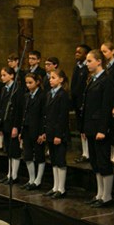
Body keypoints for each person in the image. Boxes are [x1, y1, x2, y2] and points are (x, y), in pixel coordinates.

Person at [80, 49, 114, 207]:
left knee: (103, 161)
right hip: (90, 126)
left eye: (89, 61)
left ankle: (107, 195)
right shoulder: (92, 80)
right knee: (95, 162)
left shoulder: (107, 80)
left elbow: (106, 106)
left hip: (100, 128)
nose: (87, 64)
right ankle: (99, 193)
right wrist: (83, 128)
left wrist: (103, 129)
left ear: (99, 61)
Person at [42, 69, 71, 198]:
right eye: (50, 78)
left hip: (59, 133)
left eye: (53, 77)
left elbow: (62, 117)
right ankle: (55, 186)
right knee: (54, 160)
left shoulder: (63, 94)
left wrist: (59, 135)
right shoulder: (49, 94)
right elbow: (46, 115)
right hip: (50, 131)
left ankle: (62, 188)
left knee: (60, 160)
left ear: (61, 79)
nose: (50, 80)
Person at [20, 72, 46, 190]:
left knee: (39, 155)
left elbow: (43, 115)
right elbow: (23, 114)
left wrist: (42, 132)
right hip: (26, 128)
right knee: (28, 155)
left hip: (37, 129)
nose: (28, 85)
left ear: (37, 82)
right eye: (26, 83)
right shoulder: (26, 96)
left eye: (30, 83)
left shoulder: (42, 96)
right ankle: (31, 179)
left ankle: (38, 180)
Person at [0, 67, 22, 183]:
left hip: (13, 124)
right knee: (8, 151)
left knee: (14, 150)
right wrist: (0, 125)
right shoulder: (4, 89)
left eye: (4, 75)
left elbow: (18, 109)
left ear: (12, 76)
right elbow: (2, 108)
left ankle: (14, 175)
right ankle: (9, 174)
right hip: (5, 123)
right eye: (1, 75)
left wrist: (16, 126)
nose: (2, 77)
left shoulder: (16, 89)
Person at [70, 44, 91, 163]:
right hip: (77, 102)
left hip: (85, 103)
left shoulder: (87, 69)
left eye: (79, 52)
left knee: (85, 128)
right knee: (81, 129)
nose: (76, 54)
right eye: (76, 52)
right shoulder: (77, 67)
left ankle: (88, 153)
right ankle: (84, 152)